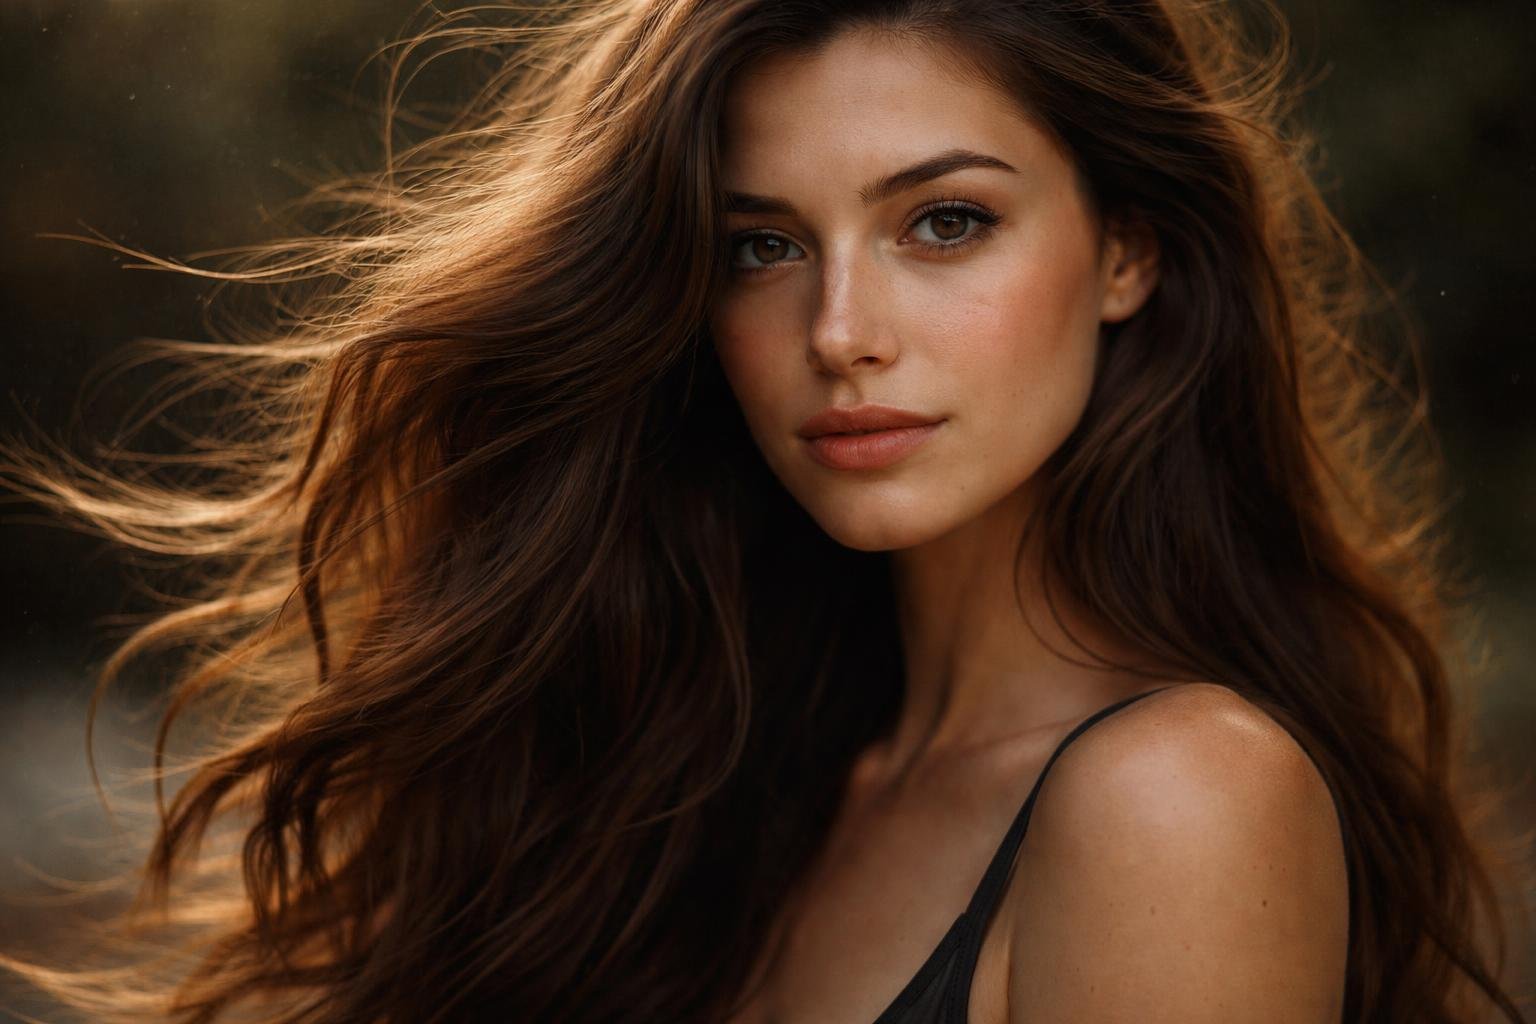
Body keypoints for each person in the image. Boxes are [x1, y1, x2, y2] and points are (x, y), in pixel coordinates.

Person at [0, 0, 1528, 1021]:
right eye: (762, 248)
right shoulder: (710, 768)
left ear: (1128, 250)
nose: (841, 332)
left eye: (946, 222)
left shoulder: (1181, 798)